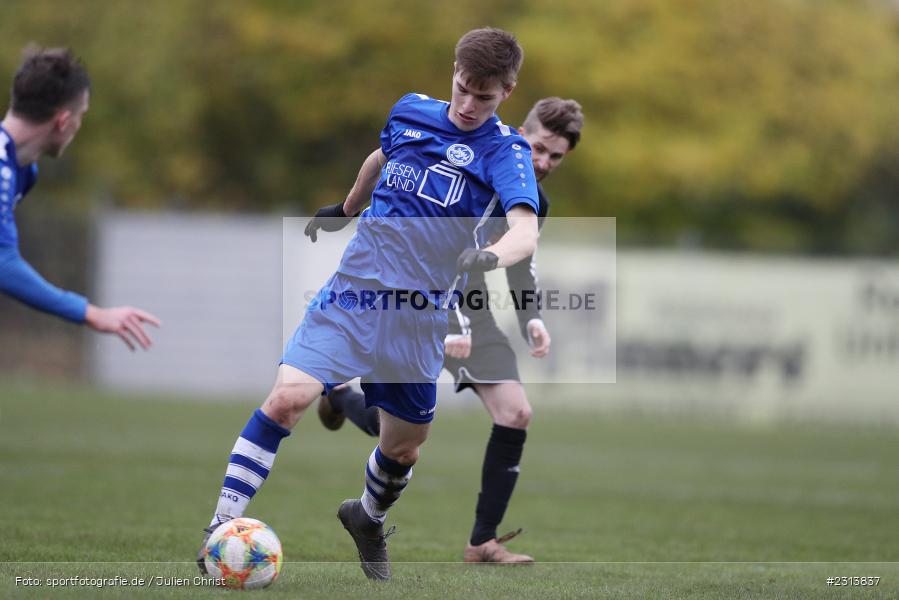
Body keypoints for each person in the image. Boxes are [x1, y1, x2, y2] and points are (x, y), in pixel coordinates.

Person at [197, 28, 540, 581]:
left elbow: (525, 231)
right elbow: (382, 155)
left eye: (486, 96)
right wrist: (347, 206)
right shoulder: (409, 110)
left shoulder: (505, 150)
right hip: (353, 293)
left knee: (403, 449)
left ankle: (367, 516)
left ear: (509, 90)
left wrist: (491, 258)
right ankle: (220, 527)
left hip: (420, 317)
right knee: (287, 399)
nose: (470, 104)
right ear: (452, 71)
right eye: (463, 88)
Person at [318, 97, 584, 563]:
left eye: (556, 156)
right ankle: (340, 395)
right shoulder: (479, 160)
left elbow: (521, 259)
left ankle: (482, 541)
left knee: (516, 413)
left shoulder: (533, 198)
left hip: (471, 307)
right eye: (538, 147)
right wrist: (347, 209)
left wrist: (532, 318)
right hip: (421, 296)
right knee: (396, 432)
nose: (543, 162)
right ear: (520, 130)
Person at [0, 46, 160, 350]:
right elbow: (2, 263)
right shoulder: (3, 171)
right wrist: (90, 313)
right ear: (62, 121)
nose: (79, 125)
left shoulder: (21, 169)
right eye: (81, 116)